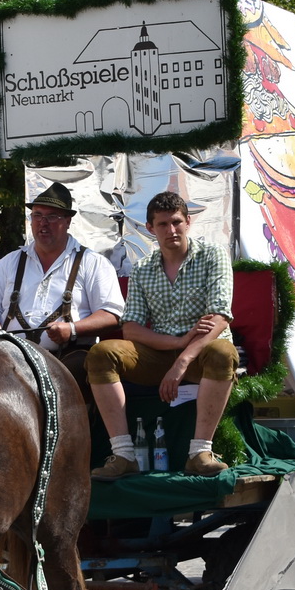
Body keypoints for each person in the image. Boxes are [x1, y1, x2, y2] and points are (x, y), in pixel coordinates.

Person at [87, 191, 236, 480]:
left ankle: (200, 453)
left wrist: (183, 360)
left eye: (177, 222)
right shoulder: (143, 268)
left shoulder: (213, 255)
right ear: (150, 229)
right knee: (102, 353)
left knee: (222, 352)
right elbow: (131, 328)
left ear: (188, 222)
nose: (171, 230)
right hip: (163, 351)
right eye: (163, 224)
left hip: (202, 354)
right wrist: (178, 344)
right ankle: (123, 454)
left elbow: (219, 317)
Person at [0, 183, 124, 386]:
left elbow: (112, 314)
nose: (43, 223)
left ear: (68, 221)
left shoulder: (93, 263)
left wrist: (72, 328)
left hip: (67, 362)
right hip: (9, 359)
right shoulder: (8, 263)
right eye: (37, 215)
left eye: (52, 216)